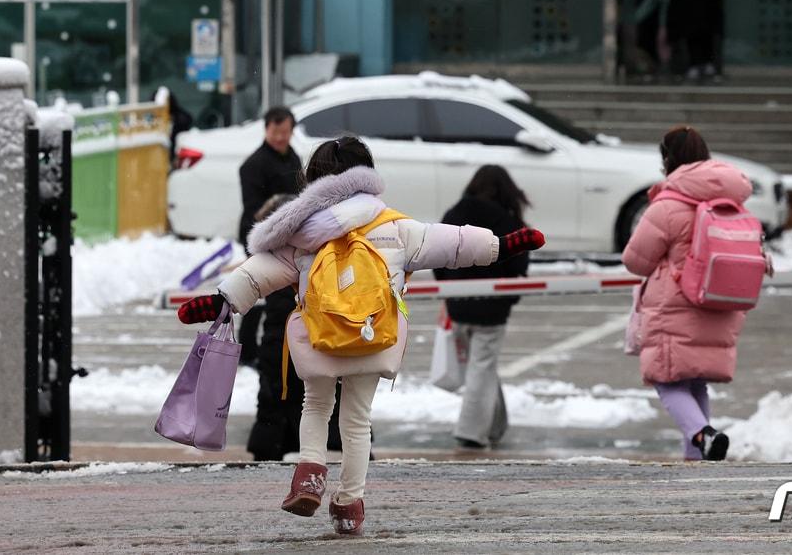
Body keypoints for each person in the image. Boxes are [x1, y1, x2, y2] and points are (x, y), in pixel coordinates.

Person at [177, 136, 545, 535]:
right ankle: (348, 505)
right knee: (356, 420)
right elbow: (452, 243)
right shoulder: (394, 227)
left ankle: (310, 476)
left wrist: (220, 300)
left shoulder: (303, 236)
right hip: (373, 336)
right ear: (366, 174)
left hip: (320, 337)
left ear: (313, 179)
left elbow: (257, 274)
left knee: (316, 405)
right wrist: (501, 245)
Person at [621, 126, 751, 462]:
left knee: (666, 380)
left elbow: (635, 260)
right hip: (720, 300)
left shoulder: (668, 206)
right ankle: (698, 456)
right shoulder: (731, 201)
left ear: (668, 159)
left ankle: (702, 435)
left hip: (674, 306)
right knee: (695, 382)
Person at [433, 165, 530, 451]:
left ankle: (496, 425)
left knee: (481, 367)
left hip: (458, 303)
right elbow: (518, 265)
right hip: (492, 308)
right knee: (482, 367)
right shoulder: (507, 221)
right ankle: (471, 433)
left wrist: (447, 291)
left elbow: (437, 255)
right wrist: (509, 299)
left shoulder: (454, 215)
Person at [235, 107, 303, 368]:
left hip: (287, 237)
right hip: (260, 236)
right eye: (276, 132)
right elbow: (254, 209)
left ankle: (260, 348)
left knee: (275, 294)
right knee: (259, 289)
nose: (280, 137)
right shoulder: (254, 165)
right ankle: (250, 349)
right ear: (266, 130)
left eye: (285, 132)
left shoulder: (293, 158)